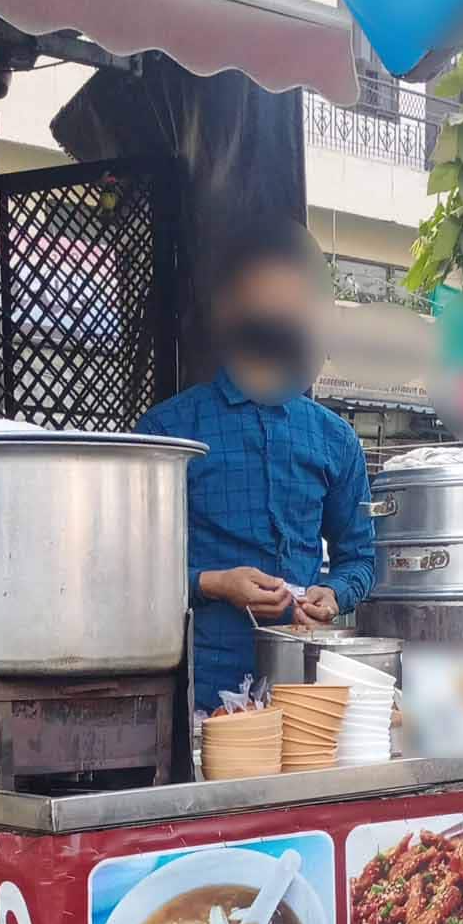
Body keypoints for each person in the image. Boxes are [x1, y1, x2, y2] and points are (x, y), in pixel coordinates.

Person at [138, 220, 376, 712]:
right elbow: (129, 567)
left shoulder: (334, 438)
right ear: (232, 312)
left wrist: (333, 593)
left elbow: (360, 559)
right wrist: (213, 584)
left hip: (302, 687)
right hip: (195, 689)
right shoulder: (169, 430)